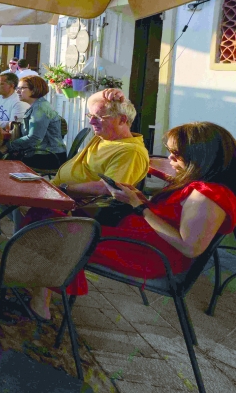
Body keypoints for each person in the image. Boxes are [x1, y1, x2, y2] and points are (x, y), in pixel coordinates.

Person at [28, 122, 236, 321]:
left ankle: (39, 293)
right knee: (49, 216)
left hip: (147, 255)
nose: (170, 158)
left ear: (200, 158)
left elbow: (189, 246)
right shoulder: (202, 187)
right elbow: (172, 218)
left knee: (53, 226)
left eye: (177, 154)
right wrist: (141, 200)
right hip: (138, 242)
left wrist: (140, 206)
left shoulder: (208, 195)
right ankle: (37, 279)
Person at [52, 89, 149, 199]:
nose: (91, 121)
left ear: (122, 119)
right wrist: (108, 93)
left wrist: (63, 189)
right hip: (57, 192)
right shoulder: (106, 136)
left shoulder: (130, 152)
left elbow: (107, 188)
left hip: (72, 205)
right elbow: (91, 101)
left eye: (98, 117)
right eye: (91, 116)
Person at [1, 75, 65, 170]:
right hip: (42, 153)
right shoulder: (37, 106)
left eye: (22, 88)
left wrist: (8, 146)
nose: (17, 91)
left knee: (3, 161)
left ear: (34, 90)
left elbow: (34, 138)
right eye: (17, 88)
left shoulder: (40, 108)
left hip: (48, 156)